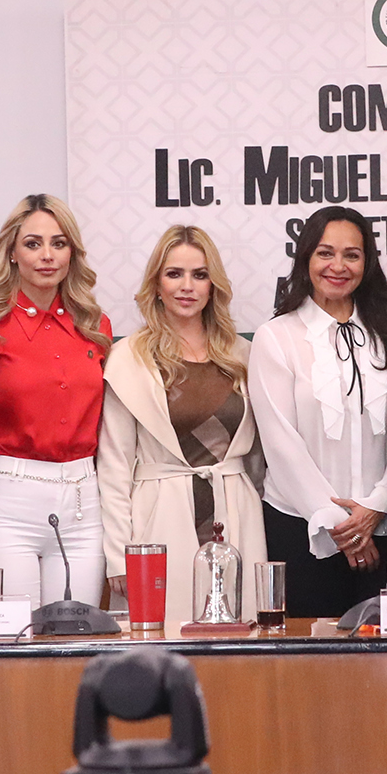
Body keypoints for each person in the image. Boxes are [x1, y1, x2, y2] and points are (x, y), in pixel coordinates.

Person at [98, 225, 267, 632]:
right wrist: (120, 555)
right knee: (165, 638)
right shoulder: (128, 358)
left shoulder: (245, 355)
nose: (187, 286)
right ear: (156, 285)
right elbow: (114, 464)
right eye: (174, 274)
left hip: (237, 513)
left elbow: (259, 458)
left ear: (213, 286)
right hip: (159, 517)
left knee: (243, 640)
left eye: (199, 275)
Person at [248, 206, 387, 619]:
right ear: (305, 258)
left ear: (367, 263)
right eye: (325, 253)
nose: (338, 266)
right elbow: (281, 444)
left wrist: (377, 505)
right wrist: (341, 527)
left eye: (352, 255)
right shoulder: (276, 337)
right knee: (311, 651)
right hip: (302, 530)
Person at [0, 194, 113, 610]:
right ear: (12, 253)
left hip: (83, 500)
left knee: (79, 634)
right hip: (6, 501)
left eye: (59, 243)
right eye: (33, 244)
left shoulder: (96, 327)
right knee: (16, 637)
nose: (47, 255)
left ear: (72, 253)